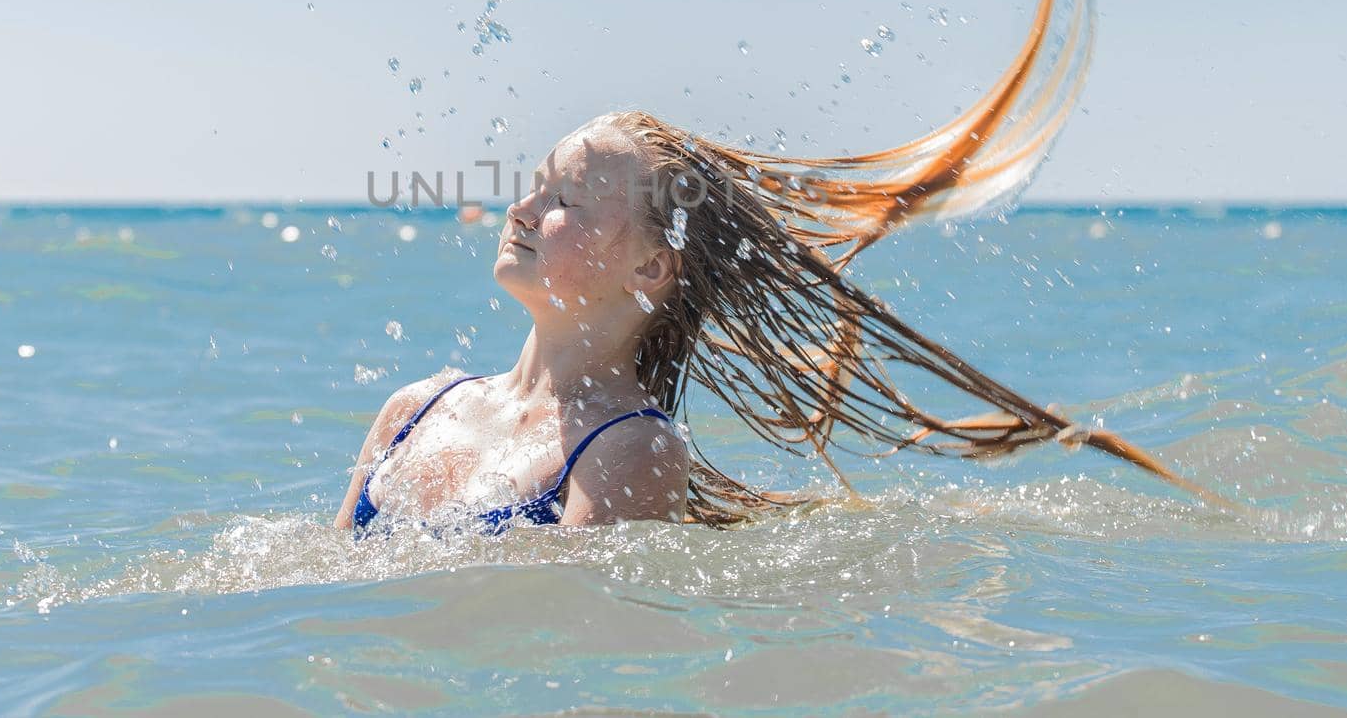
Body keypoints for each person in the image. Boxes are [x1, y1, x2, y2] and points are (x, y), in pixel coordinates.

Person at [334, 108, 1222, 536]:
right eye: (534, 182)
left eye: (567, 198)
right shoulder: (416, 406)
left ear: (652, 266)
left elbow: (574, 650)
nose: (523, 207)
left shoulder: (631, 450)